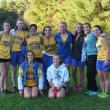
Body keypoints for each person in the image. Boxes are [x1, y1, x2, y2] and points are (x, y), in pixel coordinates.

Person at [10, 19, 27, 92]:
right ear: (17, 24)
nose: (20, 24)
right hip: (13, 52)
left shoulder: (24, 33)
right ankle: (14, 85)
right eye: (19, 23)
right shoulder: (12, 31)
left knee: (21, 70)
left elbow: (26, 42)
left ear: (23, 25)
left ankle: (21, 84)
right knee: (14, 70)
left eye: (21, 23)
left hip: (20, 53)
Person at [93, 25, 110, 98]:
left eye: (97, 30)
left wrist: (106, 59)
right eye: (94, 30)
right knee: (100, 77)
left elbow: (108, 48)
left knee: (106, 77)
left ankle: (106, 93)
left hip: (104, 60)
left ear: (100, 30)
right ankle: (102, 91)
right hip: (98, 60)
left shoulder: (103, 37)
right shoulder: (97, 39)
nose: (95, 31)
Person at [83, 23, 98, 96]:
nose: (85, 29)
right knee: (88, 74)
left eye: (87, 27)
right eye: (84, 27)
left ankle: (95, 90)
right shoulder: (86, 36)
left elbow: (99, 33)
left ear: (90, 28)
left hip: (93, 55)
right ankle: (90, 89)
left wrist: (103, 35)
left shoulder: (92, 34)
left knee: (91, 73)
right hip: (88, 56)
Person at [71, 23, 86, 91]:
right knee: (73, 70)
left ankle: (80, 85)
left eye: (80, 27)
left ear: (82, 28)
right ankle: (75, 84)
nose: (79, 28)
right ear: (75, 28)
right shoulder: (73, 35)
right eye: (78, 27)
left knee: (81, 70)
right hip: (74, 55)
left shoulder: (85, 35)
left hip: (82, 56)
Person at [0, 21, 13, 94]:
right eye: (5, 25)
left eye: (8, 25)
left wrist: (10, 53)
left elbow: (10, 46)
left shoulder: (11, 36)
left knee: (6, 73)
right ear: (3, 26)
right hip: (1, 56)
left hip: (8, 56)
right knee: (3, 73)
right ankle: (1, 89)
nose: (7, 27)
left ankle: (5, 88)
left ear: (10, 27)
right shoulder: (1, 34)